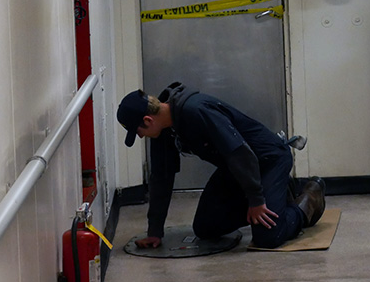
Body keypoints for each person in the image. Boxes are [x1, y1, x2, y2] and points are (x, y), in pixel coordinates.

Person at [116, 81, 326, 250]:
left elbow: (240, 152)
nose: (141, 136)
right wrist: (154, 231)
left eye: (138, 132)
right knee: (205, 227)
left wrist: (256, 199)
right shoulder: (163, 131)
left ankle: (308, 200)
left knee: (268, 237)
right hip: (235, 169)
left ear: (147, 120)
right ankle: (278, 197)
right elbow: (161, 177)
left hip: (268, 160)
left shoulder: (195, 110)